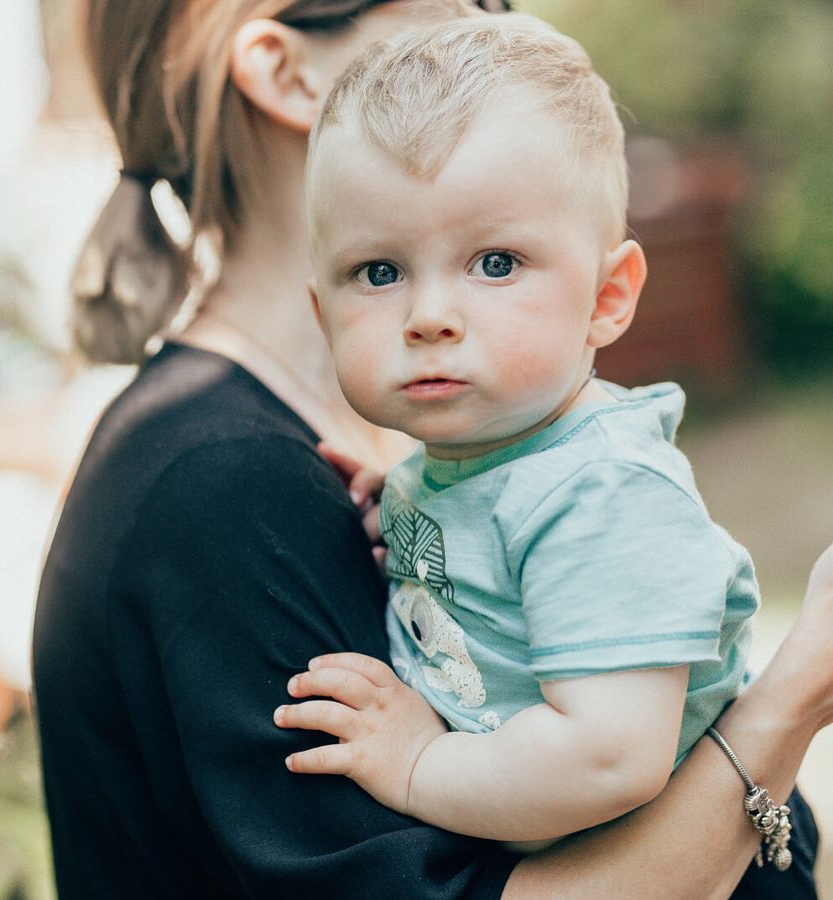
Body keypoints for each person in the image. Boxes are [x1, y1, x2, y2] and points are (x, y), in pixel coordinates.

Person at [30, 0, 833, 897]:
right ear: (285, 71)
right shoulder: (219, 488)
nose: (503, 21)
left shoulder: (485, 458)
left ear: (610, 296)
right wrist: (794, 695)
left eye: (495, 262)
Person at [276, 13, 758, 852]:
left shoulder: (601, 494)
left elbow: (609, 757)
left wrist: (420, 763)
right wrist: (400, 514)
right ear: (323, 314)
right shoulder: (471, 461)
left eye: (495, 263)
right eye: (379, 272)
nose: (430, 316)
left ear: (608, 298)